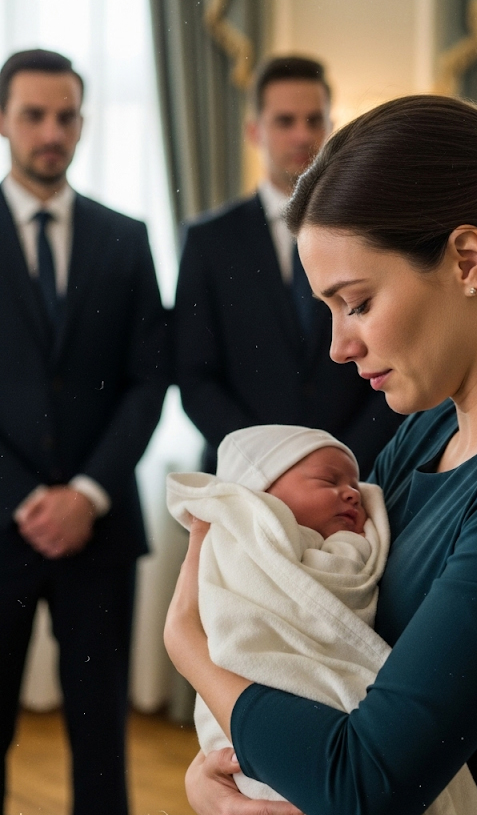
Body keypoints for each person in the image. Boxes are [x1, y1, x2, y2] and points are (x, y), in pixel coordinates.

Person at [164, 95, 477, 815]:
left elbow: (364, 782)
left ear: (466, 259)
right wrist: (224, 779)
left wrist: (190, 648)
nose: (338, 345)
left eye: (355, 302)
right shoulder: (431, 429)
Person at [0, 49, 169, 815]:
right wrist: (28, 496)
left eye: (65, 115)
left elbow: (149, 378)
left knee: (102, 739)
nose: (51, 131)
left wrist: (88, 493)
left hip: (99, 533)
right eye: (34, 114)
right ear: (4, 120)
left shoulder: (125, 238)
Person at [167, 424, 477, 814]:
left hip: (331, 756)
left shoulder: (346, 547)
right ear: (258, 492)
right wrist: (203, 780)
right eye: (328, 480)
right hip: (262, 730)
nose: (353, 492)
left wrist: (182, 639)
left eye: (353, 483)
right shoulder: (243, 539)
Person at [173, 55, 404, 477]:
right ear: (254, 130)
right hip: (245, 480)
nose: (302, 135)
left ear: (330, 128)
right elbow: (195, 378)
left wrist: (340, 462)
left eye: (314, 120)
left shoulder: (372, 232)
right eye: (285, 121)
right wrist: (274, 466)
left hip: (360, 474)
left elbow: (397, 354)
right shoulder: (208, 241)